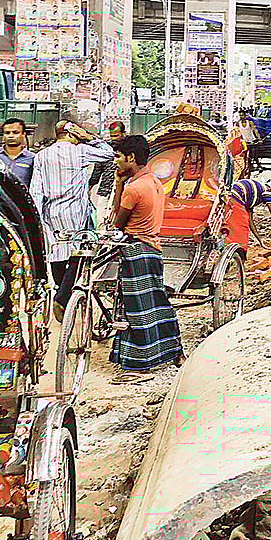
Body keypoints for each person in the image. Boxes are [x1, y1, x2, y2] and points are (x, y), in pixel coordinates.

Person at [110, 135, 183, 377]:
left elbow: (116, 222)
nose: (116, 162)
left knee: (137, 309)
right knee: (157, 302)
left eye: (119, 157)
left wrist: (119, 184)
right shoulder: (152, 181)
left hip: (136, 250)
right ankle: (173, 349)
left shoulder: (133, 189)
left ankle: (140, 361)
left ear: (131, 157)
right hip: (152, 248)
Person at [30, 120, 117, 319]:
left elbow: (36, 189)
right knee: (81, 252)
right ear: (71, 133)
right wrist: (88, 137)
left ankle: (63, 295)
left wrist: (38, 216)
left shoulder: (42, 155)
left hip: (51, 212)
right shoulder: (80, 151)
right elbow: (108, 153)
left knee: (57, 251)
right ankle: (63, 297)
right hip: (76, 211)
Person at [227, 178, 271, 249]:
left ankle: (231, 250)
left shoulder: (252, 197)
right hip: (234, 196)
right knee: (241, 228)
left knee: (230, 226)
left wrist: (260, 239)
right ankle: (239, 253)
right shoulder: (268, 192)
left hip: (228, 195)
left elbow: (249, 220)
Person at [0, 118, 35, 187]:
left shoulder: (32, 158)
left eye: (15, 132)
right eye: (7, 133)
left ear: (23, 134)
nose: (11, 136)